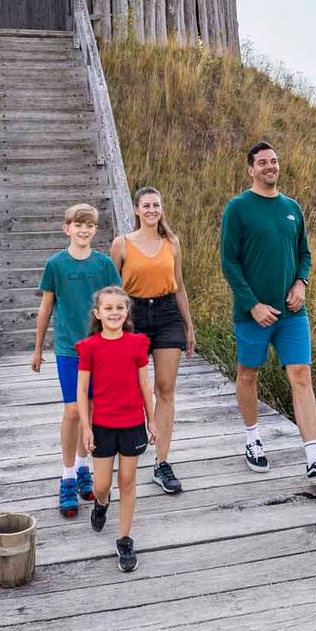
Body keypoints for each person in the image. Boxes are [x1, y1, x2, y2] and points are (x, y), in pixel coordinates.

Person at [220, 141, 316, 485]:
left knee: (301, 374)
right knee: (248, 374)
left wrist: (302, 284)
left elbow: (304, 253)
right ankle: (253, 439)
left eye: (273, 161)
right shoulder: (238, 208)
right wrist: (253, 304)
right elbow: (229, 263)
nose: (270, 167)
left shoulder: (292, 207)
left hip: (291, 313)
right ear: (251, 170)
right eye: (262, 163)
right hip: (253, 314)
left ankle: (314, 458)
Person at [30, 203, 122, 518]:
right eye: (78, 225)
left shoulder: (104, 265)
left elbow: (117, 306)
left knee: (92, 411)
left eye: (90, 226)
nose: (84, 231)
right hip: (70, 349)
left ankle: (84, 467)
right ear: (66, 228)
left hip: (102, 348)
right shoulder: (55, 264)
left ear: (96, 230)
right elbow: (46, 308)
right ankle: (67, 476)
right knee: (72, 411)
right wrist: (38, 347)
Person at [110, 185, 194, 495]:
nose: (151, 210)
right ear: (136, 210)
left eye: (156, 205)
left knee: (165, 388)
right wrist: (112, 329)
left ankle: (161, 463)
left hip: (168, 314)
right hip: (133, 316)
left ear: (161, 209)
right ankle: (125, 452)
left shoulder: (171, 243)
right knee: (131, 388)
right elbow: (113, 292)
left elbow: (180, 287)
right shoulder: (122, 245)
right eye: (146, 205)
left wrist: (189, 326)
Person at [76, 285, 154, 573]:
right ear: (98, 313)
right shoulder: (89, 347)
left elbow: (145, 384)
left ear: (127, 312)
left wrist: (152, 419)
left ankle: (124, 539)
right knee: (102, 485)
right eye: (108, 308)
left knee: (129, 481)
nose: (114, 313)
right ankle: (101, 504)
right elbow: (82, 391)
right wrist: (86, 428)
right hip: (102, 426)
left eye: (120, 308)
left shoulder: (137, 344)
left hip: (132, 423)